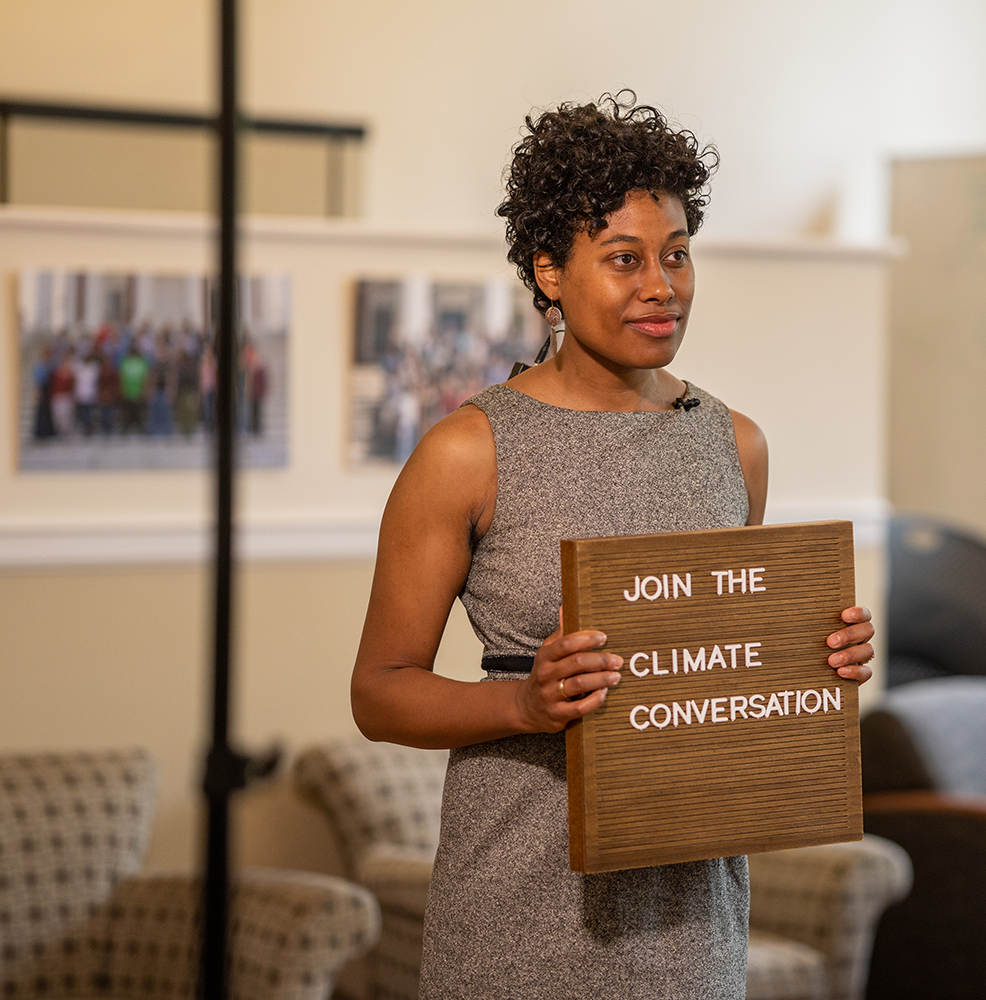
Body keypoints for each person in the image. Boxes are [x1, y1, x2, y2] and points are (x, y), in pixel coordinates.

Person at [349, 93, 875, 1000]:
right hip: (518, 907)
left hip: (692, 916)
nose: (661, 285)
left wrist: (812, 658)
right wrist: (523, 707)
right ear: (549, 271)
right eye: (624, 259)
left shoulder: (734, 443)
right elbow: (379, 692)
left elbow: (720, 665)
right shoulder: (468, 452)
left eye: (676, 255)